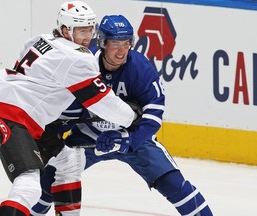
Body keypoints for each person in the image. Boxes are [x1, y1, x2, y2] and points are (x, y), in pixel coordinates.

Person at [31, 14, 213, 216]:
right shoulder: (84, 63)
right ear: (102, 42)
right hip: (88, 137)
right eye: (115, 43)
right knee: (48, 182)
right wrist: (53, 133)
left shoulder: (141, 69)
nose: (121, 50)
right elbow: (69, 107)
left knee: (174, 185)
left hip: (134, 139)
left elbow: (154, 116)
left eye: (126, 43)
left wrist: (130, 139)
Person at [0, 2, 138, 215]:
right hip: (12, 117)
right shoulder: (77, 58)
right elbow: (104, 104)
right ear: (66, 29)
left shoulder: (40, 39)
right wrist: (132, 116)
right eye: (82, 30)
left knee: (69, 160)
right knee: (29, 184)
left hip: (5, 108)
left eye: (90, 29)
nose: (88, 36)